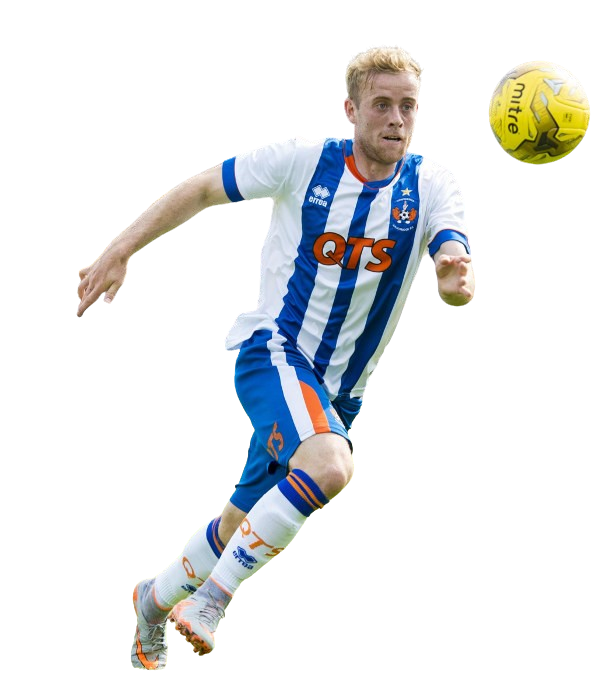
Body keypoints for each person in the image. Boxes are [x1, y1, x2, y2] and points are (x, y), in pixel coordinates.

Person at [76, 44, 475, 670]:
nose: (397, 119)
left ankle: (151, 600)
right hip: (274, 351)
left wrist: (455, 278)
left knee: (240, 520)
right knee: (331, 467)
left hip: (337, 394)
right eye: (381, 105)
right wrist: (118, 251)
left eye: (408, 106)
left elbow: (455, 272)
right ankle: (211, 600)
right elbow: (204, 188)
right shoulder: (302, 162)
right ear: (350, 110)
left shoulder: (432, 184)